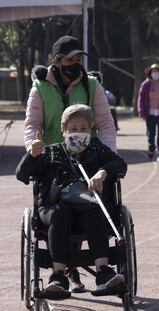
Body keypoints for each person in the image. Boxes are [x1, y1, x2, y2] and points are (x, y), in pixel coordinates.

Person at [25, 35, 117, 292]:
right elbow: (32, 124)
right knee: (62, 209)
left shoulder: (91, 85)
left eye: (79, 59)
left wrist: (105, 160)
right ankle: (66, 271)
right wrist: (33, 149)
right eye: (70, 59)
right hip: (53, 160)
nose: (75, 63)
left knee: (89, 205)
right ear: (57, 60)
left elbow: (106, 124)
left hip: (89, 159)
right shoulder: (41, 86)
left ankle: (98, 270)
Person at [16, 104, 127, 294]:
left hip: (88, 206)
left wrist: (103, 172)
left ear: (91, 129)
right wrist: (32, 155)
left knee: (94, 210)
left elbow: (119, 163)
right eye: (73, 129)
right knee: (61, 212)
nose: (78, 132)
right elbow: (22, 174)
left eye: (83, 129)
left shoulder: (97, 149)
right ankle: (59, 276)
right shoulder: (51, 152)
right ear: (63, 130)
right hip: (54, 208)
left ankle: (103, 272)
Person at [137, 64, 159, 162]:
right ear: (150, 73)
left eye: (158, 71)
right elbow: (140, 99)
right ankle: (151, 149)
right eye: (153, 71)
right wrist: (141, 113)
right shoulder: (145, 84)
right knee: (151, 134)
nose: (156, 73)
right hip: (149, 113)